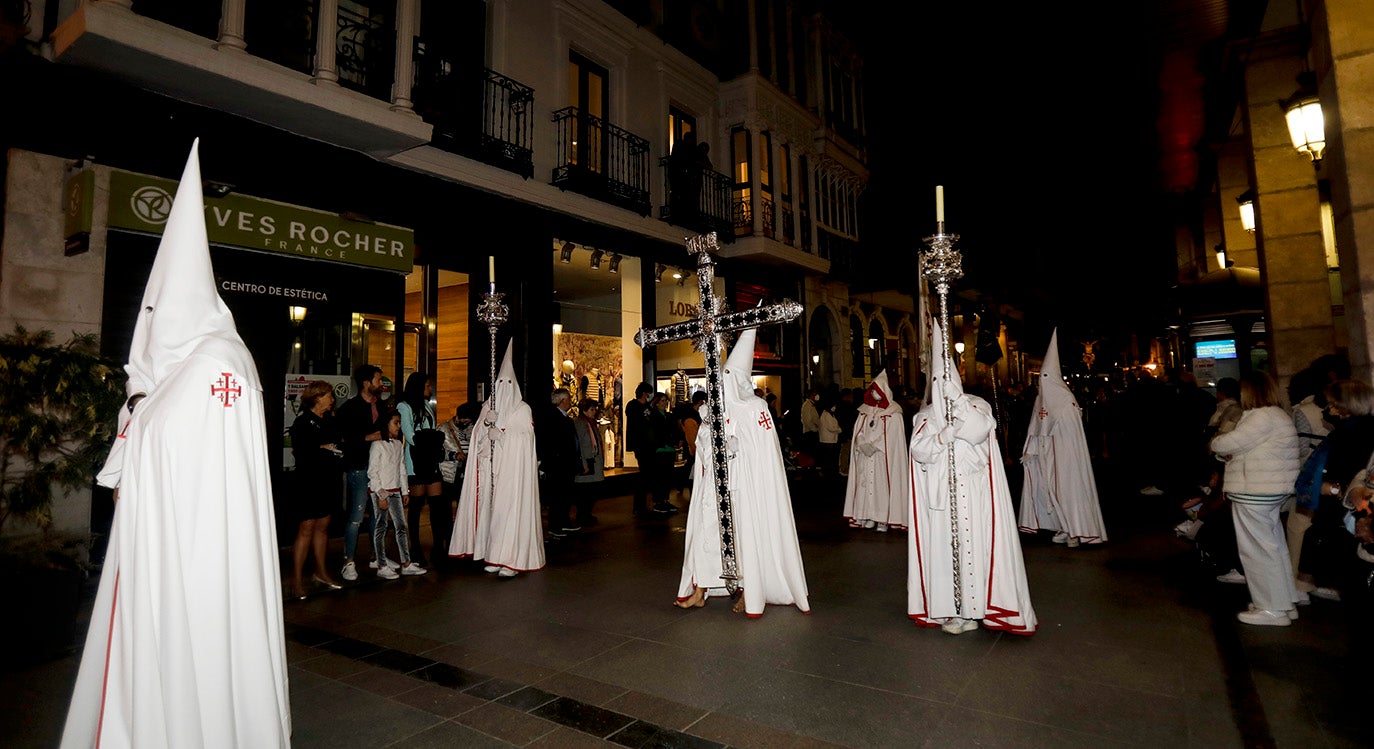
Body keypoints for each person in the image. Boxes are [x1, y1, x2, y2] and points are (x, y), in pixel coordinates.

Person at [62, 142, 290, 746]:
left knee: (203, 642)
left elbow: (162, 437)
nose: (150, 323)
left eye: (159, 308)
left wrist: (139, 405)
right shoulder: (193, 364)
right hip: (172, 538)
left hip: (202, 543)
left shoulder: (219, 360)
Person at [908, 321, 1037, 636]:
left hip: (974, 493)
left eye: (948, 379)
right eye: (938, 380)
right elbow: (919, 450)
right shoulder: (924, 416)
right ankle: (950, 608)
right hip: (941, 497)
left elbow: (979, 431)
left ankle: (976, 609)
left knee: (974, 551)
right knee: (945, 552)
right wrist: (943, 435)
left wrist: (959, 407)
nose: (943, 385)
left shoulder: (977, 406)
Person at [674, 328, 810, 616]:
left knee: (744, 535)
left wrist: (735, 445)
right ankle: (702, 588)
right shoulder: (712, 409)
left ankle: (751, 589)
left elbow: (763, 450)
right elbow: (702, 445)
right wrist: (711, 436)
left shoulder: (755, 407)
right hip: (715, 485)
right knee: (706, 533)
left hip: (744, 486)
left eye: (728, 378)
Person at [1209, 371, 1301, 626]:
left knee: (1256, 551)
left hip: (1255, 490)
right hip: (1268, 490)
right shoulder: (1276, 414)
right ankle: (1283, 603)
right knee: (1273, 548)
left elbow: (1226, 443)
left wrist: (1218, 444)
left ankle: (1270, 608)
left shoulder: (1260, 416)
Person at [448, 341, 545, 577]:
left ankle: (510, 559)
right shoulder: (487, 406)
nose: (503, 387)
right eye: (499, 383)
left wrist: (501, 434)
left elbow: (525, 440)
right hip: (491, 471)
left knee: (508, 513)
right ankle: (492, 553)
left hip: (511, 473)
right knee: (492, 515)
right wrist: (486, 426)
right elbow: (478, 438)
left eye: (507, 383)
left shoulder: (522, 409)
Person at [1017, 329, 1108, 547]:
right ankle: (1061, 526)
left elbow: (1070, 434)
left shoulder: (1066, 401)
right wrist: (1031, 450)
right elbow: (1035, 427)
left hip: (1066, 457)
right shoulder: (1041, 399)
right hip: (1046, 454)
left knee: (1068, 490)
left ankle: (1075, 530)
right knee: (1048, 490)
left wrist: (1053, 442)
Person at [1296, 379, 1374, 603]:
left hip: (1349, 509)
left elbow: (1357, 473)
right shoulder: (1354, 430)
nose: (1328, 409)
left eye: (1332, 404)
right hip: (1348, 508)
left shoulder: (1353, 433)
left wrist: (1333, 489)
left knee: (1353, 574)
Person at [288, 380, 345, 599]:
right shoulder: (303, 422)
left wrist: (335, 449)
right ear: (317, 397)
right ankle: (296, 578)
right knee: (306, 527)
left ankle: (321, 572)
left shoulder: (330, 420)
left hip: (328, 479)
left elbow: (339, 443)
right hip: (308, 481)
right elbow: (301, 452)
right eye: (329, 395)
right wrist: (323, 448)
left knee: (324, 525)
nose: (332, 399)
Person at [337, 363, 389, 581]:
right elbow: (342, 440)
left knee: (378, 516)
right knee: (357, 517)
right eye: (378, 380)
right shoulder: (349, 408)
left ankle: (377, 557)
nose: (381, 384)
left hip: (380, 468)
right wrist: (368, 437)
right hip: (359, 468)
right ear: (366, 383)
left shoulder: (383, 407)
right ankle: (348, 561)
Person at [843, 369, 910, 533]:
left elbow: (893, 437)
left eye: (877, 390)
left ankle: (883, 519)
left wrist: (876, 446)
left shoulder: (894, 413)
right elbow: (858, 431)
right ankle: (867, 515)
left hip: (882, 458)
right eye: (872, 390)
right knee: (865, 486)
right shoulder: (865, 412)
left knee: (882, 487)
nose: (874, 393)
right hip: (866, 457)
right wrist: (862, 444)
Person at [369, 412, 427, 578]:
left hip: (395, 491)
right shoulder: (377, 445)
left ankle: (406, 563)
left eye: (400, 422)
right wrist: (380, 494)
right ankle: (381, 565)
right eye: (396, 422)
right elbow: (372, 472)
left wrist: (404, 490)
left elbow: (401, 468)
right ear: (386, 424)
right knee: (381, 527)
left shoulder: (397, 445)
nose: (399, 426)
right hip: (381, 492)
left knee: (401, 527)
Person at [397, 371, 443, 567]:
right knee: (415, 507)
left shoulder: (426, 406)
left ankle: (438, 549)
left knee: (437, 506)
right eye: (426, 386)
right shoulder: (404, 406)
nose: (430, 389)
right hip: (416, 460)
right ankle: (414, 549)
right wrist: (430, 438)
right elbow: (409, 434)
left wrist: (430, 438)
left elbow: (432, 432)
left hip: (431, 459)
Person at [435, 401, 477, 562]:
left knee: (463, 509)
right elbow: (438, 452)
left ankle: (462, 541)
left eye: (469, 421)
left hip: (465, 476)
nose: (467, 423)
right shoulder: (443, 429)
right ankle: (447, 542)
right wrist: (454, 456)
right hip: (448, 475)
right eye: (465, 420)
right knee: (445, 512)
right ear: (458, 416)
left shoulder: (472, 429)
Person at [535, 387, 580, 535]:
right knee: (558, 495)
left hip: (567, 463)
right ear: (562, 401)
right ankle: (555, 525)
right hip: (558, 464)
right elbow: (549, 441)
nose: (570, 402)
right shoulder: (552, 418)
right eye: (568, 399)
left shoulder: (565, 418)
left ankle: (564, 521)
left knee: (566, 494)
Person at [572, 398, 605, 526]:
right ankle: (583, 514)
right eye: (592, 409)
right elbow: (581, 443)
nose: (594, 412)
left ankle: (586, 513)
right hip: (586, 461)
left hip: (593, 460)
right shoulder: (580, 423)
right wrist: (584, 461)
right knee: (585, 491)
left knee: (591, 490)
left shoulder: (590, 423)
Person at [647, 391, 681, 513]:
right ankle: (658, 501)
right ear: (656, 403)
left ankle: (665, 500)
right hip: (660, 449)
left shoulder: (668, 416)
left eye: (665, 401)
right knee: (660, 477)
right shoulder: (654, 416)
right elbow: (655, 433)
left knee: (667, 476)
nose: (664, 403)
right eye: (662, 401)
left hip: (669, 448)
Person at [625, 381, 654, 515]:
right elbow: (636, 424)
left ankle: (642, 505)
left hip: (648, 443)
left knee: (647, 474)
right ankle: (639, 506)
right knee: (644, 474)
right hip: (640, 444)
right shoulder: (633, 406)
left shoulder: (647, 406)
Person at [817, 395, 842, 479]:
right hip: (828, 439)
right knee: (828, 457)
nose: (834, 407)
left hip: (830, 438)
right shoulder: (826, 415)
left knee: (828, 456)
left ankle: (828, 471)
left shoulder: (829, 414)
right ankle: (828, 472)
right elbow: (831, 427)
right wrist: (839, 430)